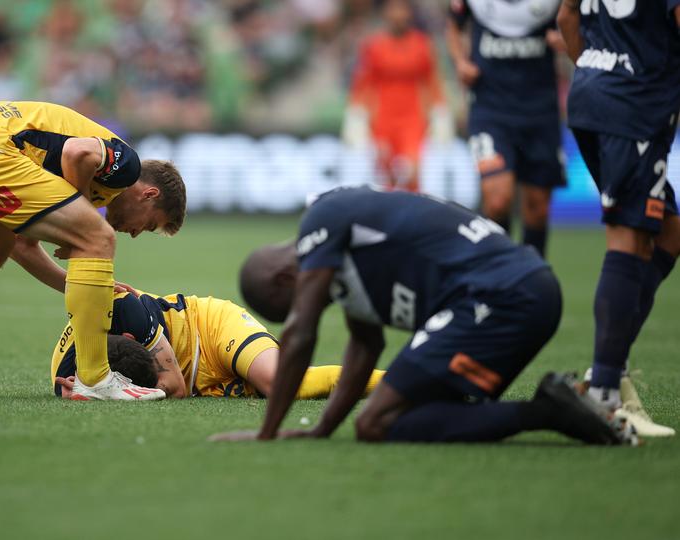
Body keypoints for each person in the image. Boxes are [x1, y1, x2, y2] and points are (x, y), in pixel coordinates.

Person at [211, 186, 634, 445]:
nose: (315, 304)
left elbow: (302, 332)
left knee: (374, 424)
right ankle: (553, 408)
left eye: (300, 299)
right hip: (522, 294)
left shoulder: (323, 219)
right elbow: (366, 344)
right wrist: (322, 428)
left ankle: (548, 411)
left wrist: (267, 433)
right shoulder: (348, 262)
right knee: (410, 420)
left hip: (499, 295)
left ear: (288, 275)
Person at [0, 101, 186, 401]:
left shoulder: (81, 183)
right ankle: (94, 378)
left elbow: (21, 244)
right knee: (99, 237)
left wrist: (78, 285)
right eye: (147, 226)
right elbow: (76, 152)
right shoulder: (127, 167)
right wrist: (83, 218)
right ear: (149, 195)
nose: (134, 233)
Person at [557, 0, 680, 436]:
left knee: (667, 231)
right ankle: (604, 394)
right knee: (628, 239)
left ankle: (610, 364)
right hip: (633, 105)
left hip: (593, 92)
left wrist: (597, 74)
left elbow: (566, 16)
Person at [50, 290, 385, 399]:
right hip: (201, 384)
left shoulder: (124, 309)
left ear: (127, 339)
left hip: (209, 329)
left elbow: (174, 387)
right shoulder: (66, 373)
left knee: (281, 382)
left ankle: (403, 380)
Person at [445, 0, 567, 257]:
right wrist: (459, 62)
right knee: (497, 198)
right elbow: (454, 27)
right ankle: (498, 274)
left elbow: (574, 22)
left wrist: (567, 39)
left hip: (540, 110)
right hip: (490, 109)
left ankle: (531, 279)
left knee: (537, 206)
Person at [344, 0, 446, 191]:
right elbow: (362, 84)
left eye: (402, 9)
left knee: (412, 172)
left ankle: (413, 216)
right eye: (393, 9)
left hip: (412, 119)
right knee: (386, 176)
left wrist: (440, 111)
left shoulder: (421, 44)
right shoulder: (374, 46)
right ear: (385, 13)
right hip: (383, 120)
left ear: (409, 13)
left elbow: (432, 82)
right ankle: (389, 219)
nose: (397, 14)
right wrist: (356, 113)